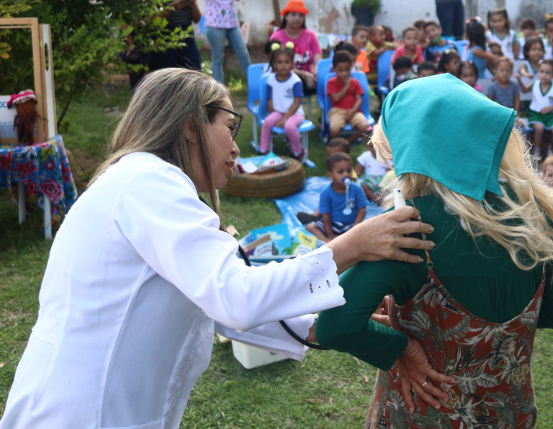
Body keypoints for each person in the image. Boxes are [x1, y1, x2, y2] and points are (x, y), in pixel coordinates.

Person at [0, 68, 437, 429]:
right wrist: (352, 246)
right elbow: (234, 298)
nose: (234, 147)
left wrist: (319, 326)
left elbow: (212, 304)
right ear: (190, 126)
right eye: (230, 127)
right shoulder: (148, 182)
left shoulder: (147, 186)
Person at [314, 74, 553, 428]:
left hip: (420, 413)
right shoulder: (537, 213)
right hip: (508, 412)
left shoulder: (409, 229)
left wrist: (401, 347)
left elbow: (333, 327)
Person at [198, 0, 252, 83]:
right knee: (218, 58)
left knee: (244, 54)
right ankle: (219, 91)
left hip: (232, 24)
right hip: (215, 24)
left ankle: (255, 86)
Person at [306, 152, 368, 243]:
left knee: (368, 230)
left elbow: (362, 208)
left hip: (350, 226)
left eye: (349, 170)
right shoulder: (326, 192)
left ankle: (346, 240)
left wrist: (356, 226)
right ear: (331, 176)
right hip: (332, 224)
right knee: (310, 227)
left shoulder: (356, 188)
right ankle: (327, 241)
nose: (346, 174)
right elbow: (325, 214)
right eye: (340, 172)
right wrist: (330, 233)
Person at [259, 42, 306, 160]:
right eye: (279, 62)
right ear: (274, 64)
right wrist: (273, 115)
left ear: (292, 63)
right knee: (267, 122)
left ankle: (299, 151)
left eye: (286, 62)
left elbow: (297, 103)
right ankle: (263, 150)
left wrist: (285, 118)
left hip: (295, 114)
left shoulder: (295, 81)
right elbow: (269, 99)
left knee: (289, 127)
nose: (283, 65)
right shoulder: (271, 80)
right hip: (279, 112)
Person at [268, 0, 322, 95]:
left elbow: (318, 60)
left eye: (301, 15)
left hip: (309, 76)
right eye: (293, 14)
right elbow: (276, 64)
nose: (297, 18)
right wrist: (303, 74)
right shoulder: (276, 36)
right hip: (284, 76)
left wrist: (315, 75)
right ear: (286, 16)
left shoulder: (311, 35)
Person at [326, 50, 370, 143]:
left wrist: (353, 111)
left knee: (365, 127)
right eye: (340, 70)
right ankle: (336, 143)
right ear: (334, 69)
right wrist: (346, 86)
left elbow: (359, 100)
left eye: (347, 70)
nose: (344, 73)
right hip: (337, 110)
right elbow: (336, 98)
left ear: (351, 68)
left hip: (354, 110)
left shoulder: (355, 82)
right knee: (334, 131)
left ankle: (349, 140)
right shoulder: (331, 83)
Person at [527, 59, 553, 160]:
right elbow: (524, 90)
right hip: (536, 114)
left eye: (548, 73)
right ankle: (537, 150)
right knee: (539, 128)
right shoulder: (535, 84)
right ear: (538, 71)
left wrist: (549, 108)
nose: (544, 75)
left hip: (550, 115)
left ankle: (551, 150)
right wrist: (520, 79)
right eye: (541, 71)